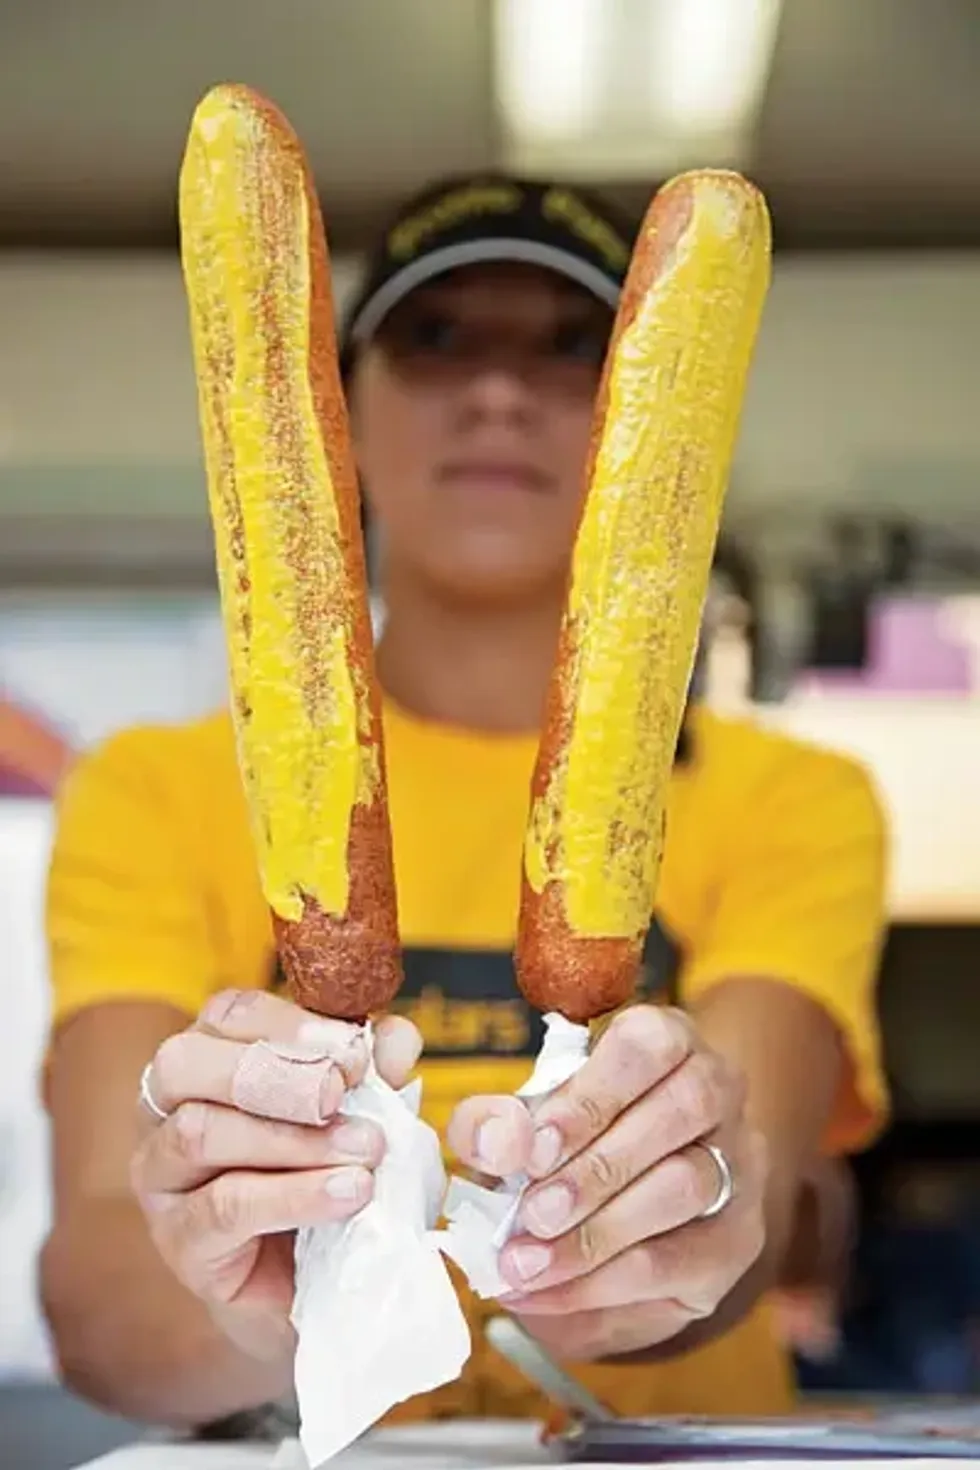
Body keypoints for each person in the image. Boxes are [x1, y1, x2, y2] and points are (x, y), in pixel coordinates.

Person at [40, 174, 888, 1434]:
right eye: (436, 340)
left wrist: (682, 1231)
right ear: (345, 409)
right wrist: (247, 1304)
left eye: (569, 348)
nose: (498, 394)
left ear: (646, 410)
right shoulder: (158, 793)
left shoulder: (793, 798)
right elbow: (99, 1298)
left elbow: (759, 1193)